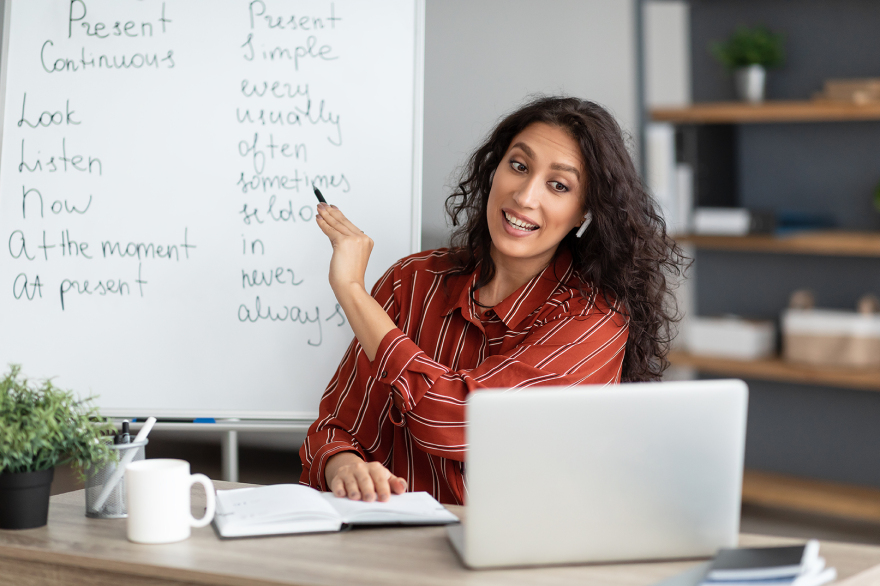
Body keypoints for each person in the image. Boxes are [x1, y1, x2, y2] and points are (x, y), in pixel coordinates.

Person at [299, 96, 685, 505]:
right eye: (519, 166)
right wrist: (345, 468)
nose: (524, 196)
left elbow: (457, 420)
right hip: (387, 541)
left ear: (583, 213)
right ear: (495, 169)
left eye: (558, 185)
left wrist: (354, 293)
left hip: (517, 559)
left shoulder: (593, 321)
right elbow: (337, 426)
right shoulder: (409, 281)